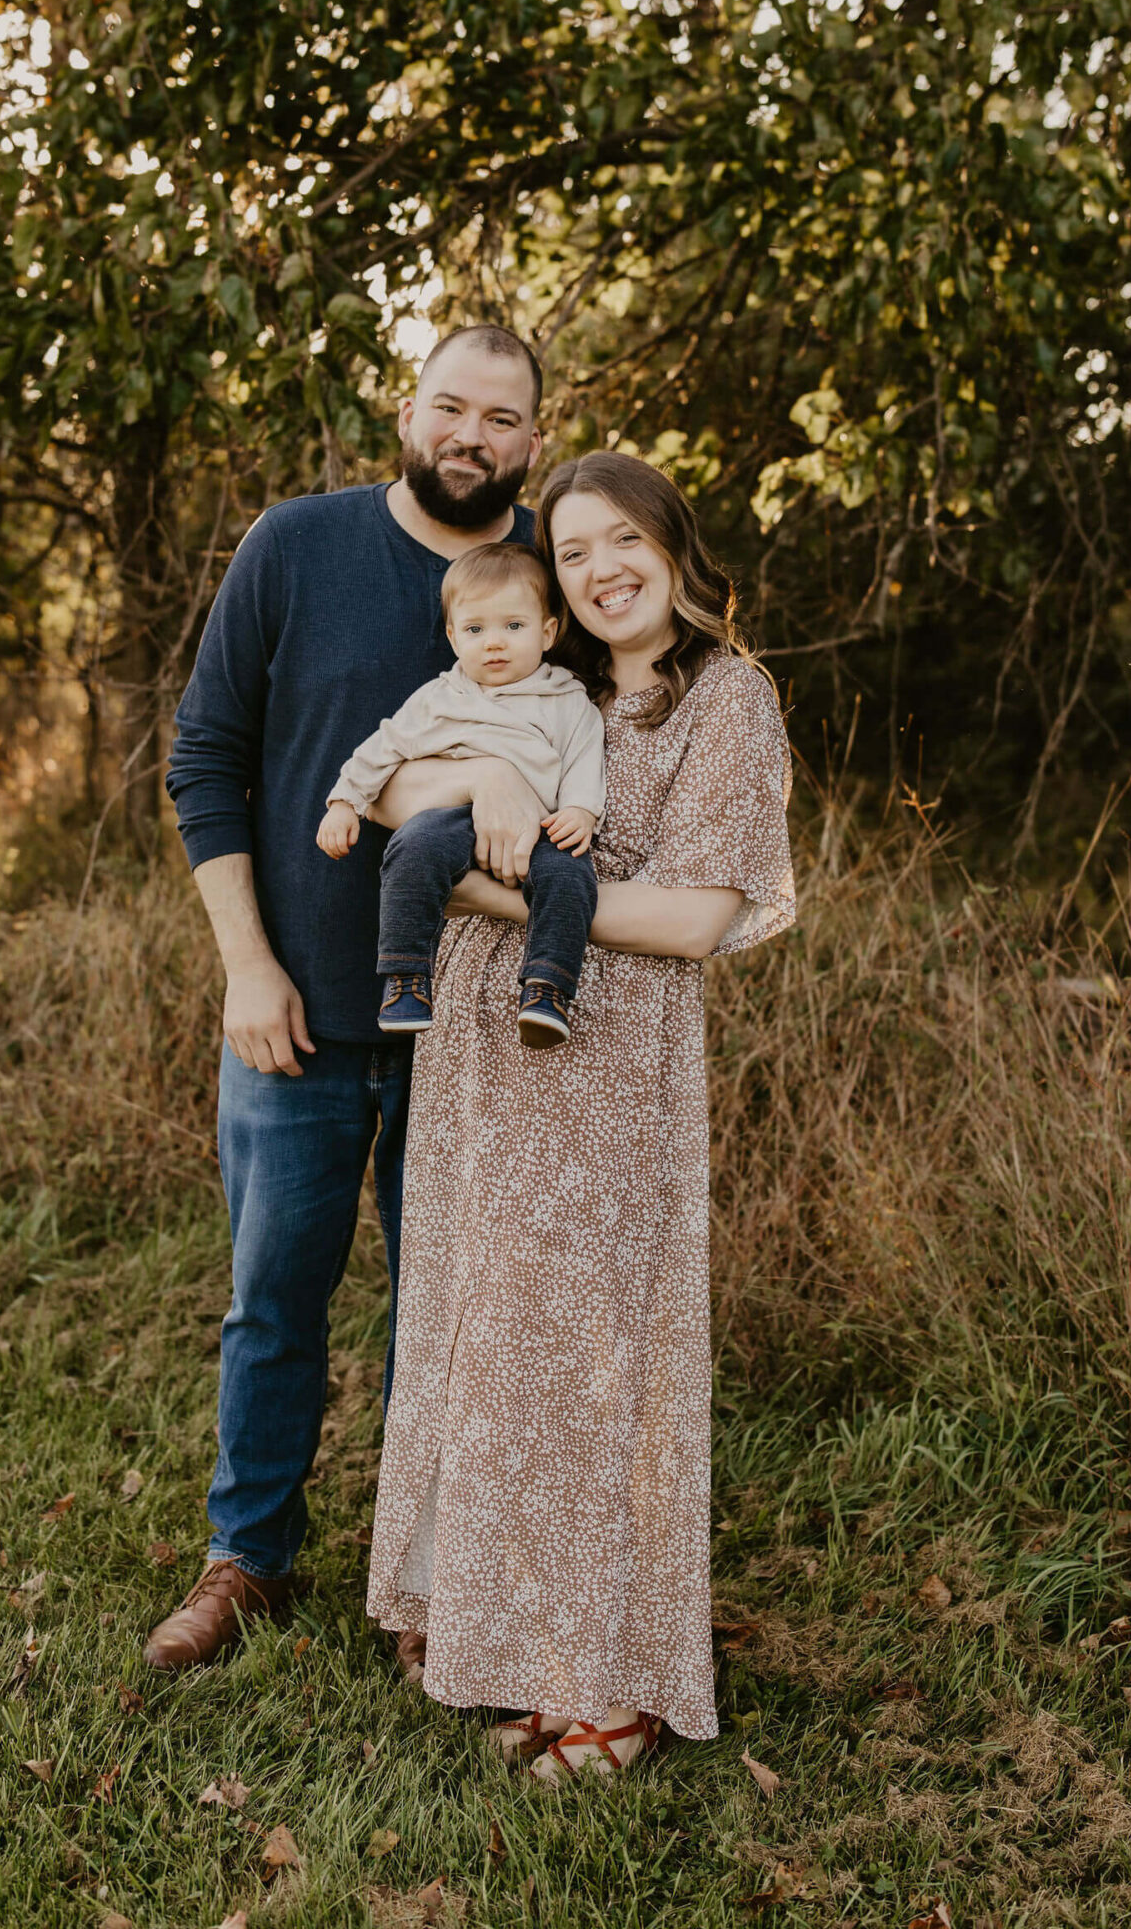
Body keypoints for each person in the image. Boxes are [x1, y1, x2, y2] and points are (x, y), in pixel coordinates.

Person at [366, 451, 795, 1777]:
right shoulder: (534, 684)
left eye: (622, 541)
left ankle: (617, 1689)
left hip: (612, 1069)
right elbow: (385, 785)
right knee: (498, 1350)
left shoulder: (725, 700)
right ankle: (529, 1655)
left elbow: (690, 918)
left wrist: (497, 891)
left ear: (671, 545)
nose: (600, 569)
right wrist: (481, 791)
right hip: (481, 1066)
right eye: (571, 550)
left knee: (601, 1373)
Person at [146, 324, 555, 1675]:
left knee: (440, 1309)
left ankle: (418, 1581)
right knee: (273, 1297)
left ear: (532, 442)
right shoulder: (295, 545)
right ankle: (244, 1559)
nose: (470, 438)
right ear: (407, 411)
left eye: (500, 419)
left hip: (475, 1021)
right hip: (299, 1007)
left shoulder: (555, 574)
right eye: (450, 407)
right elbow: (204, 759)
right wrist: (245, 966)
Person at [318, 540, 605, 1049]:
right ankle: (406, 979)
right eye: (475, 630)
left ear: (548, 631)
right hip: (451, 817)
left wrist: (581, 811)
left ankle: (547, 989)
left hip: (535, 826)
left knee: (572, 872)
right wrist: (345, 802)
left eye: (513, 627)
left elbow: (585, 758)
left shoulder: (566, 698)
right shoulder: (440, 697)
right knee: (412, 845)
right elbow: (382, 748)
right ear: (453, 636)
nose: (494, 643)